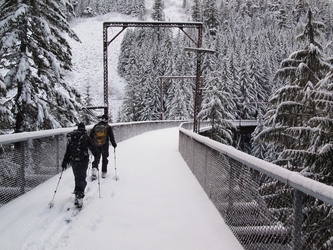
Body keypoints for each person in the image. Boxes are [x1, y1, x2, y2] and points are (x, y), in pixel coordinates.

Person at [62, 122, 98, 208]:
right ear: (84, 128)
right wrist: (97, 156)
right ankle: (79, 197)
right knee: (82, 178)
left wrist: (65, 161)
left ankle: (77, 194)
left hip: (73, 160)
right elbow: (93, 148)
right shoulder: (86, 137)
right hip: (83, 160)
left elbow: (68, 150)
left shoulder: (72, 137)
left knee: (77, 177)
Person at [90, 114, 117, 180]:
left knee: (96, 157)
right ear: (106, 120)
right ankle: (103, 172)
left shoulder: (96, 126)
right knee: (105, 158)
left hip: (96, 144)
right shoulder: (108, 127)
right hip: (105, 145)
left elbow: (91, 136)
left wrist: (92, 144)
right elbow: (111, 137)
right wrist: (114, 144)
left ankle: (94, 170)